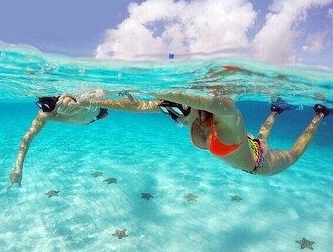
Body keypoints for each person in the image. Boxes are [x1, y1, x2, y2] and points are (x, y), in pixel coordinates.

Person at [69, 91, 331, 176]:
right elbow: (137, 106)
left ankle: (320, 113)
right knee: (261, 137)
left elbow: (226, 105)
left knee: (293, 153)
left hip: (260, 164)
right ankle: (276, 110)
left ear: (195, 104)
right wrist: (92, 103)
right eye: (171, 113)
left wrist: (167, 92)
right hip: (249, 146)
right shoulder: (187, 111)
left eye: (177, 111)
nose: (175, 118)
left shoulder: (226, 120)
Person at [8, 92, 110, 189]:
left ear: (60, 101)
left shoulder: (74, 103)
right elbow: (28, 137)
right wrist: (18, 168)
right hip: (87, 116)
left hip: (99, 112)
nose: (45, 110)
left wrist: (76, 103)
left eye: (49, 106)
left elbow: (92, 99)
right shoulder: (46, 114)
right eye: (42, 105)